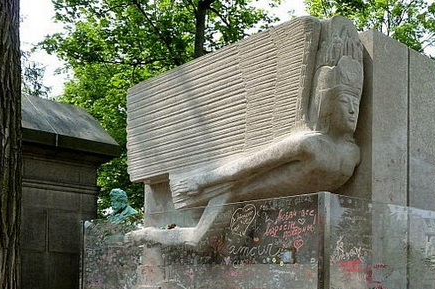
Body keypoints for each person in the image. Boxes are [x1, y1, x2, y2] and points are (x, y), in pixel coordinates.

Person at [128, 18, 363, 247]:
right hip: (232, 193)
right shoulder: (310, 144)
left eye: (356, 101)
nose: (353, 110)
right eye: (345, 101)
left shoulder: (352, 154)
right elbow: (249, 165)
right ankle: (147, 235)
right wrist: (200, 181)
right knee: (198, 242)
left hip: (267, 209)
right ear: (327, 103)